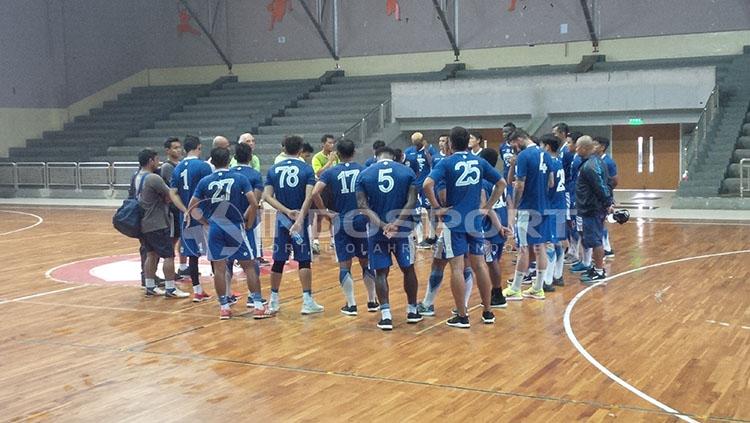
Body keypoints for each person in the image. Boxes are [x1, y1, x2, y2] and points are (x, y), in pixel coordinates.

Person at [423, 126, 506, 328]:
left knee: (457, 268)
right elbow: (502, 182)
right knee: (479, 266)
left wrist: (436, 208)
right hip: (475, 222)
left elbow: (427, 184)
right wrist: (487, 208)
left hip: (455, 222)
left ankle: (462, 316)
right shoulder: (479, 161)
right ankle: (487, 312)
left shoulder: (447, 162)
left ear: (450, 143)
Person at [188, 147, 265, 320]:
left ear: (212, 162)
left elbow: (192, 207)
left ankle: (224, 307)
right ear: (229, 160)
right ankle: (258, 305)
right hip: (235, 226)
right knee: (249, 266)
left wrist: (205, 222)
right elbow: (254, 202)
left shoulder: (205, 181)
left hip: (215, 227)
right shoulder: (240, 178)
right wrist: (250, 222)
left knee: (220, 269)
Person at [309, 139, 379, 315]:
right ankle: (372, 301)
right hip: (361, 219)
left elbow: (315, 192)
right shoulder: (365, 169)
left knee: (344, 265)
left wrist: (324, 211)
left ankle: (351, 304)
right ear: (354, 152)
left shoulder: (331, 172)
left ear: (337, 154)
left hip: (341, 220)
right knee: (366, 261)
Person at [356, 146, 420, 330]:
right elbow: (412, 201)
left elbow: (362, 205)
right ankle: (412, 310)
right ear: (397, 157)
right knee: (408, 268)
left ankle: (385, 315)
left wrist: (383, 225)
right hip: (403, 230)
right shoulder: (407, 171)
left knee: (381, 272)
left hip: (377, 231)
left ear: (376, 156)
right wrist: (397, 223)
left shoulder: (365, 173)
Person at [262, 135, 324, 314]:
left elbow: (266, 197)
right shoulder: (306, 169)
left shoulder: (274, 169)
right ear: (300, 150)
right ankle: (307, 301)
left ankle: (273, 301)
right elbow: (309, 197)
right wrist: (298, 218)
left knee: (278, 260)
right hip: (300, 221)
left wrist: (286, 211)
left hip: (282, 220)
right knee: (304, 260)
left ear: (284, 149)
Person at [503, 129, 553, 301]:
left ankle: (516, 288)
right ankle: (538, 288)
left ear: (519, 139)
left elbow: (519, 185)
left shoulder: (524, 156)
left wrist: (515, 206)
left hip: (528, 208)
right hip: (544, 206)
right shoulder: (546, 155)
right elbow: (551, 182)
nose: (514, 149)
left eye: (514, 145)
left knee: (523, 248)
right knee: (540, 248)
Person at [135, 148, 190, 299]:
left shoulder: (136, 176)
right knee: (168, 256)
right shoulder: (153, 178)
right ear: (151, 161)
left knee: (151, 254)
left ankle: (150, 286)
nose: (159, 162)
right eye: (157, 159)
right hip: (157, 222)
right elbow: (170, 194)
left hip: (143, 222)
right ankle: (171, 288)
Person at [168, 135, 212, 302]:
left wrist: (185, 210)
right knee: (216, 253)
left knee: (192, 255)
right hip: (203, 216)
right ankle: (225, 293)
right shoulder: (203, 166)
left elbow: (172, 192)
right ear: (198, 148)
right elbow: (209, 192)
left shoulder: (178, 167)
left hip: (185, 218)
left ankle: (197, 290)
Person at [230, 143, 268, 310]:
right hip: (246, 225)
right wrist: (247, 221)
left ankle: (226, 298)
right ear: (250, 157)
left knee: (226, 262)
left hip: (226, 223)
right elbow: (255, 202)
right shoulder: (254, 175)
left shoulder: (228, 174)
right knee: (251, 262)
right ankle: (254, 297)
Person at [575, 136, 613, 284]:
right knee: (592, 239)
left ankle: (599, 270)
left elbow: (601, 186)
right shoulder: (596, 162)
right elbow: (608, 183)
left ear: (584, 148)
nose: (576, 150)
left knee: (596, 240)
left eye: (578, 147)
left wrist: (608, 202)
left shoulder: (589, 166)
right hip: (590, 208)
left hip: (592, 209)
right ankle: (595, 267)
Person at [478, 148, 511, 308]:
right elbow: (509, 200)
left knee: (491, 262)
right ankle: (495, 291)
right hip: (503, 219)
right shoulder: (499, 178)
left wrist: (499, 227)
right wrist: (509, 222)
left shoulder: (483, 181)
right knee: (495, 259)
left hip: (492, 226)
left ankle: (498, 293)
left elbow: (486, 207)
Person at [540, 134, 568, 290]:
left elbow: (548, 185)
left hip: (551, 207)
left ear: (547, 147)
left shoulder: (548, 162)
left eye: (541, 145)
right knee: (558, 243)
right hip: (560, 206)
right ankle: (558, 275)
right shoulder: (558, 161)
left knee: (550, 243)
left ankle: (548, 280)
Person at [160, 137, 188, 278]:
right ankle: (170, 269)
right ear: (168, 150)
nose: (178, 150)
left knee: (182, 236)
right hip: (172, 209)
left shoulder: (181, 164)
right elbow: (174, 189)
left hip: (181, 207)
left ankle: (183, 266)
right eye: (175, 147)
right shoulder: (167, 167)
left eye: (179, 147)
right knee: (173, 238)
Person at [404, 132, 437, 249]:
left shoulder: (430, 150)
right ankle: (419, 237)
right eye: (414, 142)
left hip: (426, 185)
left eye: (418, 142)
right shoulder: (408, 151)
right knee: (415, 210)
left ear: (423, 140)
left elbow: (433, 164)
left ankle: (432, 236)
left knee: (429, 210)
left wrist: (427, 152)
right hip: (414, 185)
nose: (416, 144)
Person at [311, 135, 339, 254]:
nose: (332, 145)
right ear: (323, 144)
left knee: (333, 214)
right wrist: (330, 161)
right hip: (321, 188)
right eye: (329, 143)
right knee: (319, 215)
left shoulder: (337, 157)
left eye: (333, 143)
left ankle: (333, 240)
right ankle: (315, 242)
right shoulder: (317, 157)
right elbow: (318, 173)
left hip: (334, 188)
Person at [594, 136, 618, 258]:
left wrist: (607, 194)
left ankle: (606, 248)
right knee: (600, 223)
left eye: (595, 144)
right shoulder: (595, 160)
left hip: (604, 197)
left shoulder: (608, 162)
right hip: (598, 196)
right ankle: (606, 247)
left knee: (601, 223)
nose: (593, 147)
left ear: (602, 147)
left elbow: (614, 180)